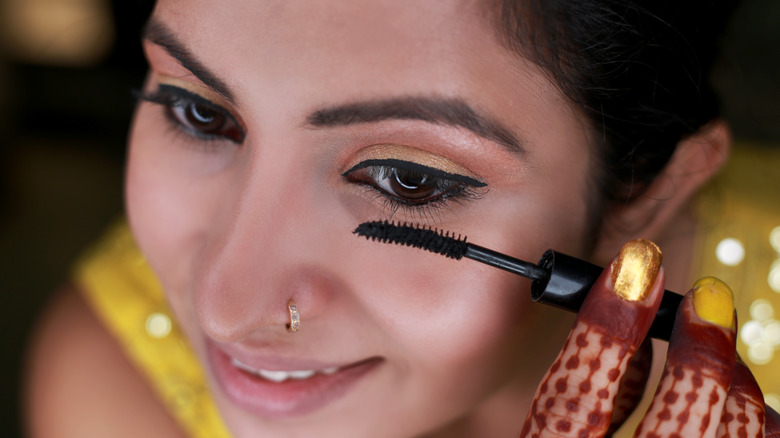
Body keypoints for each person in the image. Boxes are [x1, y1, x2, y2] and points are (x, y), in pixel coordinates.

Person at [22, 0, 780, 437]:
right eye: (199, 112)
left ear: (649, 191)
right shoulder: (116, 384)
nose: (227, 308)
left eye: (407, 180)